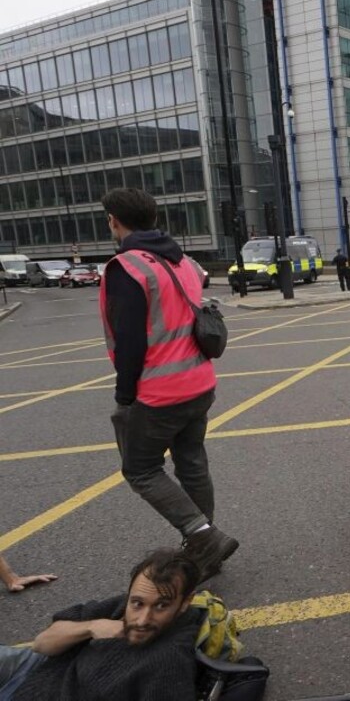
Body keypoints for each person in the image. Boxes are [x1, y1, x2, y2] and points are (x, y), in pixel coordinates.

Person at [99, 188, 237, 581]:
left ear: (114, 220)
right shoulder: (183, 261)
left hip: (160, 391)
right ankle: (207, 551)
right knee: (192, 462)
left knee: (140, 470)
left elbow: (130, 341)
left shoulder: (128, 267)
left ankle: (202, 536)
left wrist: (125, 396)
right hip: (199, 382)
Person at [0, 549, 202, 700]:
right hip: (36, 666)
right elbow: (41, 644)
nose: (142, 620)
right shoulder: (125, 604)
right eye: (137, 603)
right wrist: (91, 626)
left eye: (161, 606)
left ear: (185, 602)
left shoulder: (168, 663)